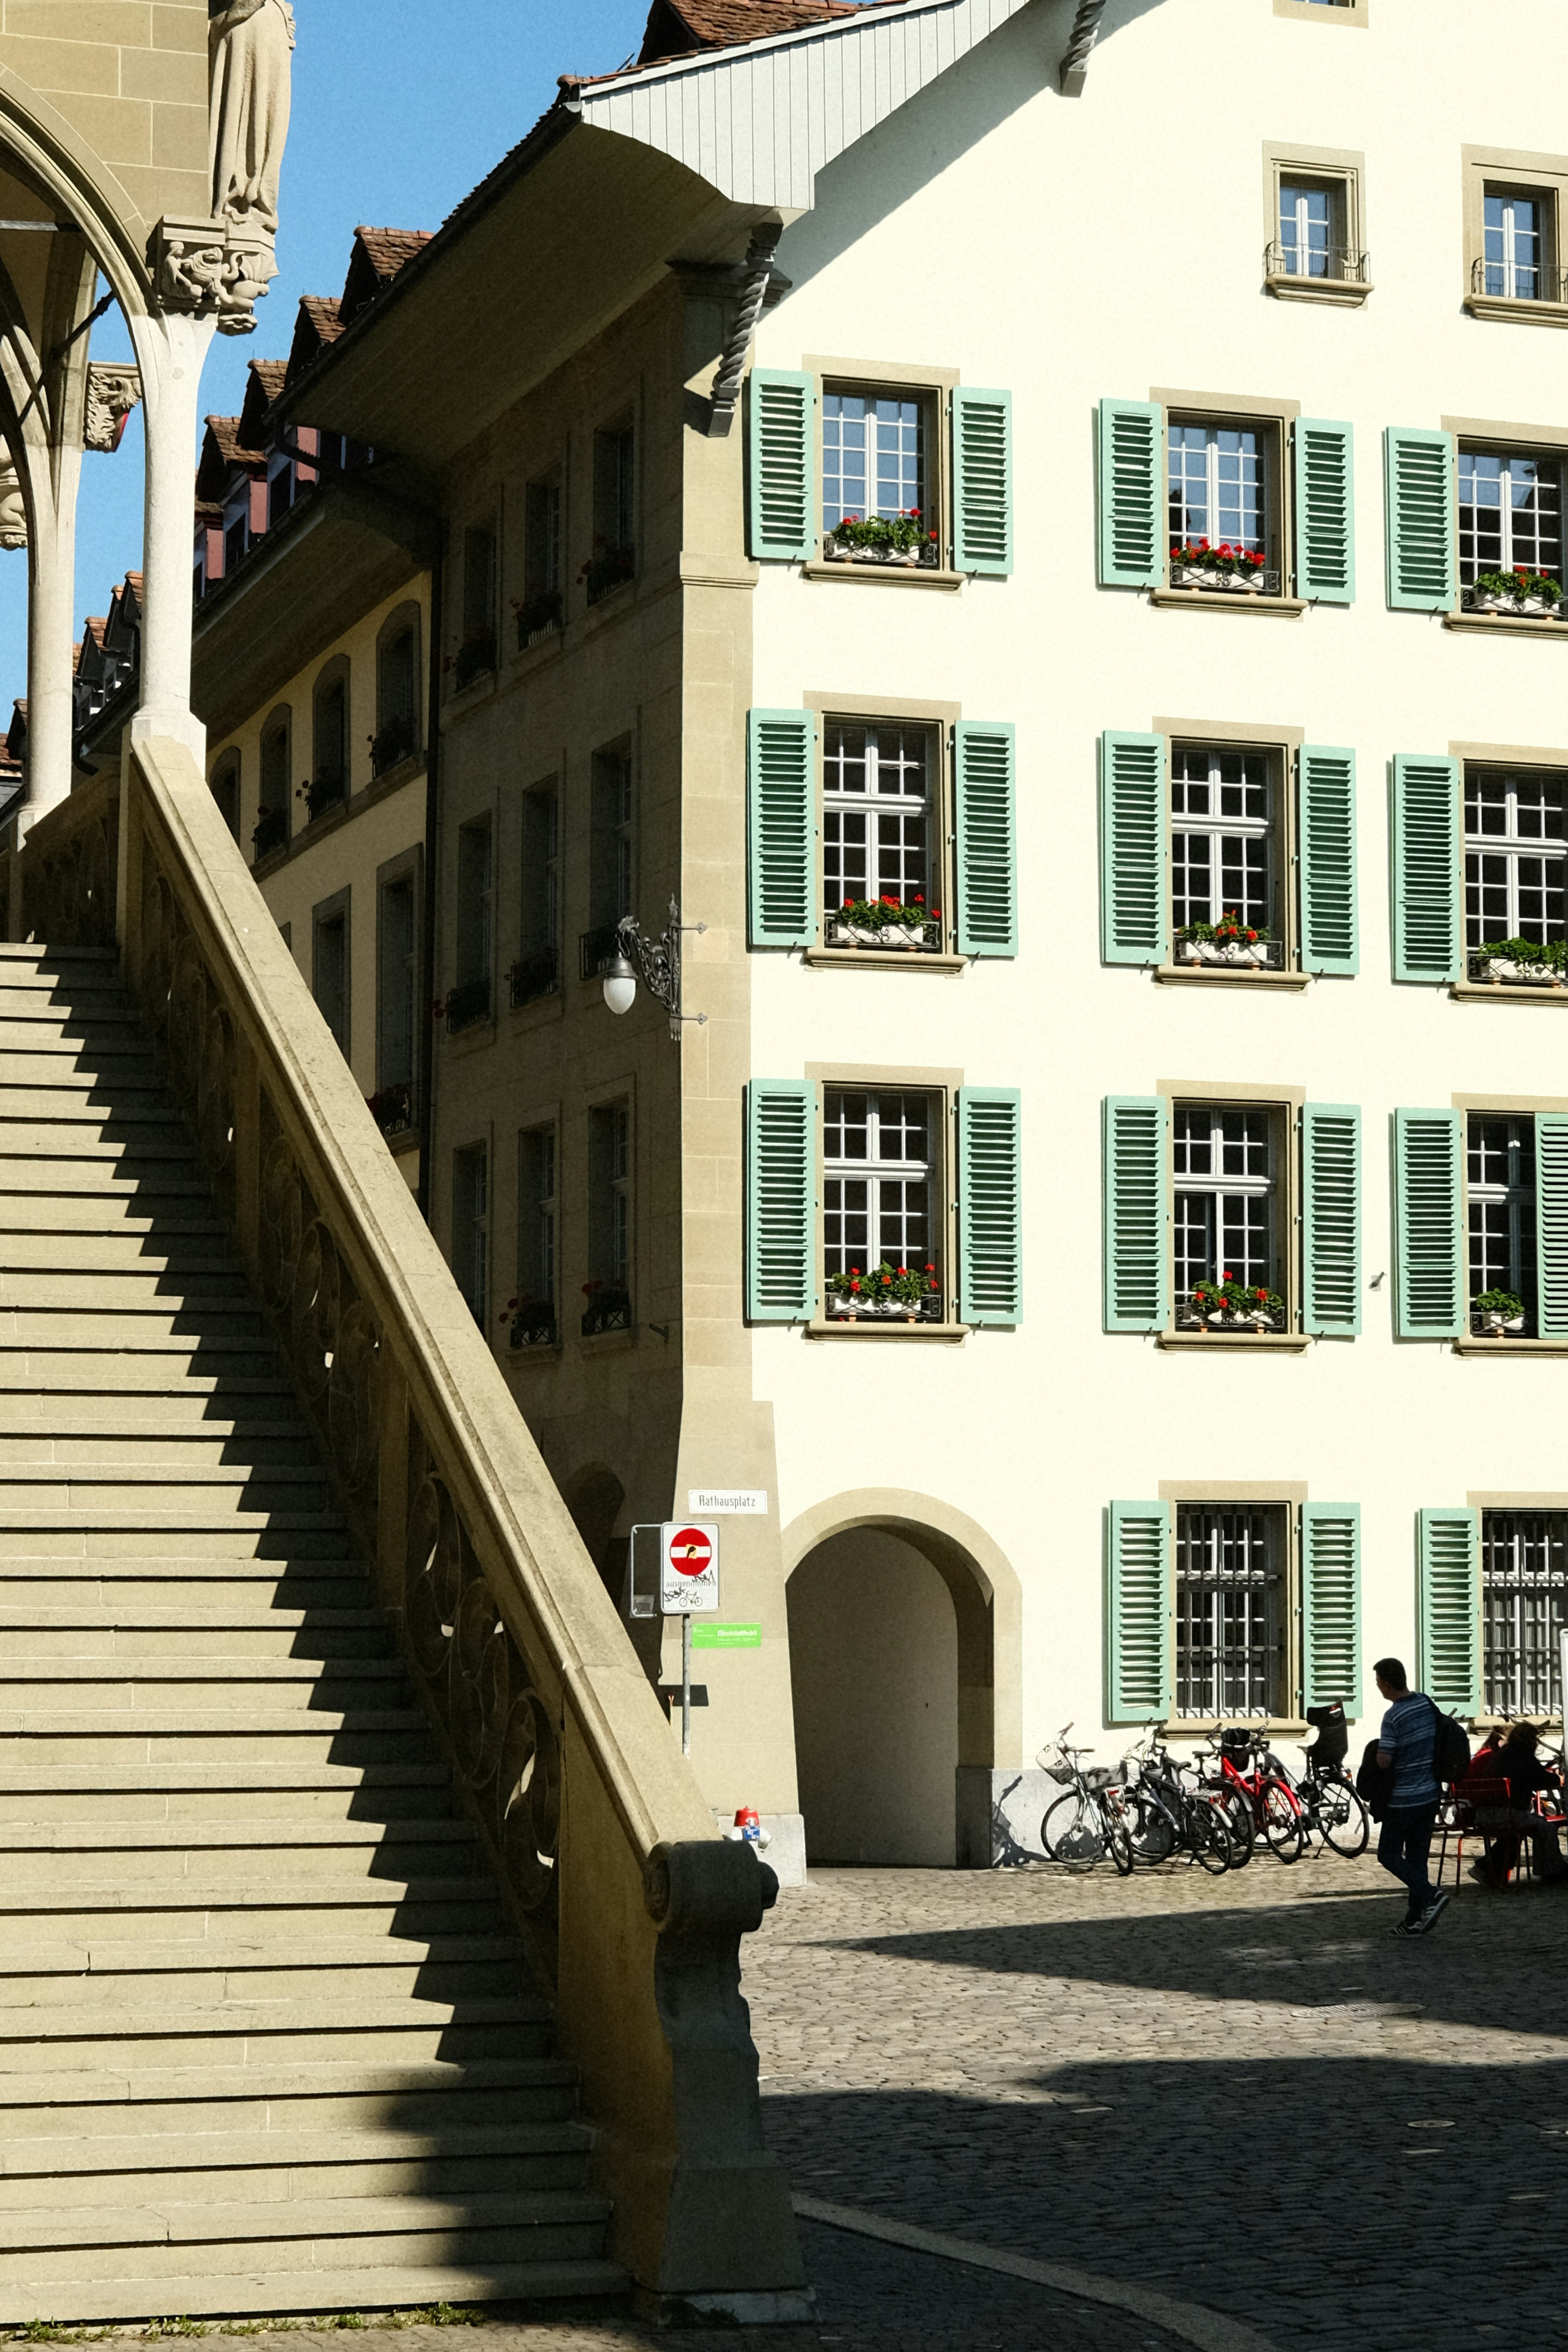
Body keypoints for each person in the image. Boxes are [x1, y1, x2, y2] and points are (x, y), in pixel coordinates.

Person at [1373, 1656, 1451, 1937]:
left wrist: (1378, 1752)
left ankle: (1431, 1895)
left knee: (1388, 1854)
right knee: (1417, 1859)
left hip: (1404, 1799)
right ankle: (1414, 1920)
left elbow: (1384, 1760)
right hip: (1429, 1794)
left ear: (1387, 1683)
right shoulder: (1425, 1703)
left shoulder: (1393, 1716)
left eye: (1378, 1682)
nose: (1378, 1687)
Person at [1467, 1723, 1568, 1888]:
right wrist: (1559, 1780)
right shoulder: (1522, 1755)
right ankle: (1552, 1872)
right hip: (1507, 1814)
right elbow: (1539, 1779)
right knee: (1545, 1827)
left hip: (1484, 1813)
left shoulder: (1503, 1755)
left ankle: (1486, 1868)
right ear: (1530, 1739)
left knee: (1516, 1834)